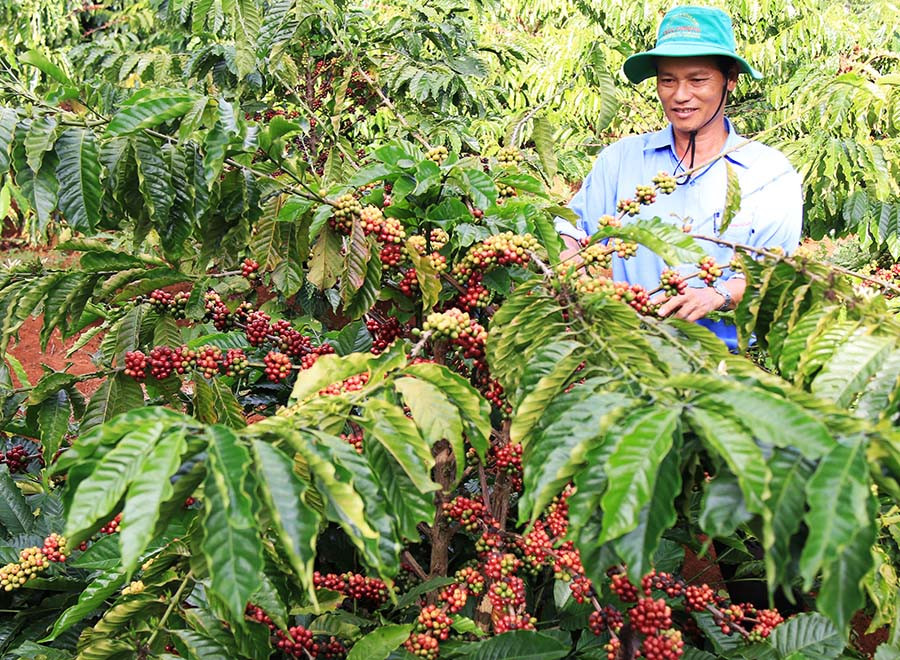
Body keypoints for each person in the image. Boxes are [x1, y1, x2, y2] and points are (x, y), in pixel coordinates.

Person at [556, 5, 802, 350]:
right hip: (629, 356)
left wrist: (718, 295)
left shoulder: (768, 174)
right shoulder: (621, 160)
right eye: (667, 80)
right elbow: (569, 232)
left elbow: (776, 274)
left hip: (720, 365)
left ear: (730, 79)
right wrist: (580, 280)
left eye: (698, 80)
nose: (680, 95)